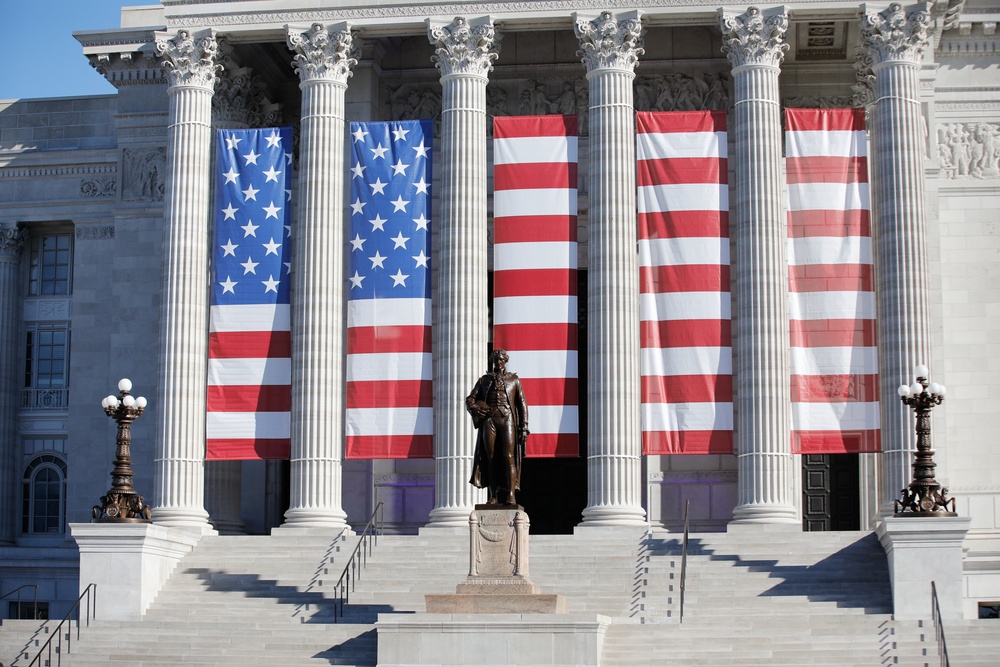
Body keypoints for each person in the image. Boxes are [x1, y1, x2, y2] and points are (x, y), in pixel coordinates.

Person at [466, 349, 529, 506]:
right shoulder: (484, 380)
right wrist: (474, 407)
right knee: (490, 458)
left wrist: (524, 427)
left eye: (501, 359)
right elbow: (470, 398)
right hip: (490, 420)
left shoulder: (514, 379)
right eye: (495, 359)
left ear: (505, 360)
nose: (498, 362)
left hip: (507, 419)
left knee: (509, 457)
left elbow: (522, 404)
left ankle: (511, 494)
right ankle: (493, 495)